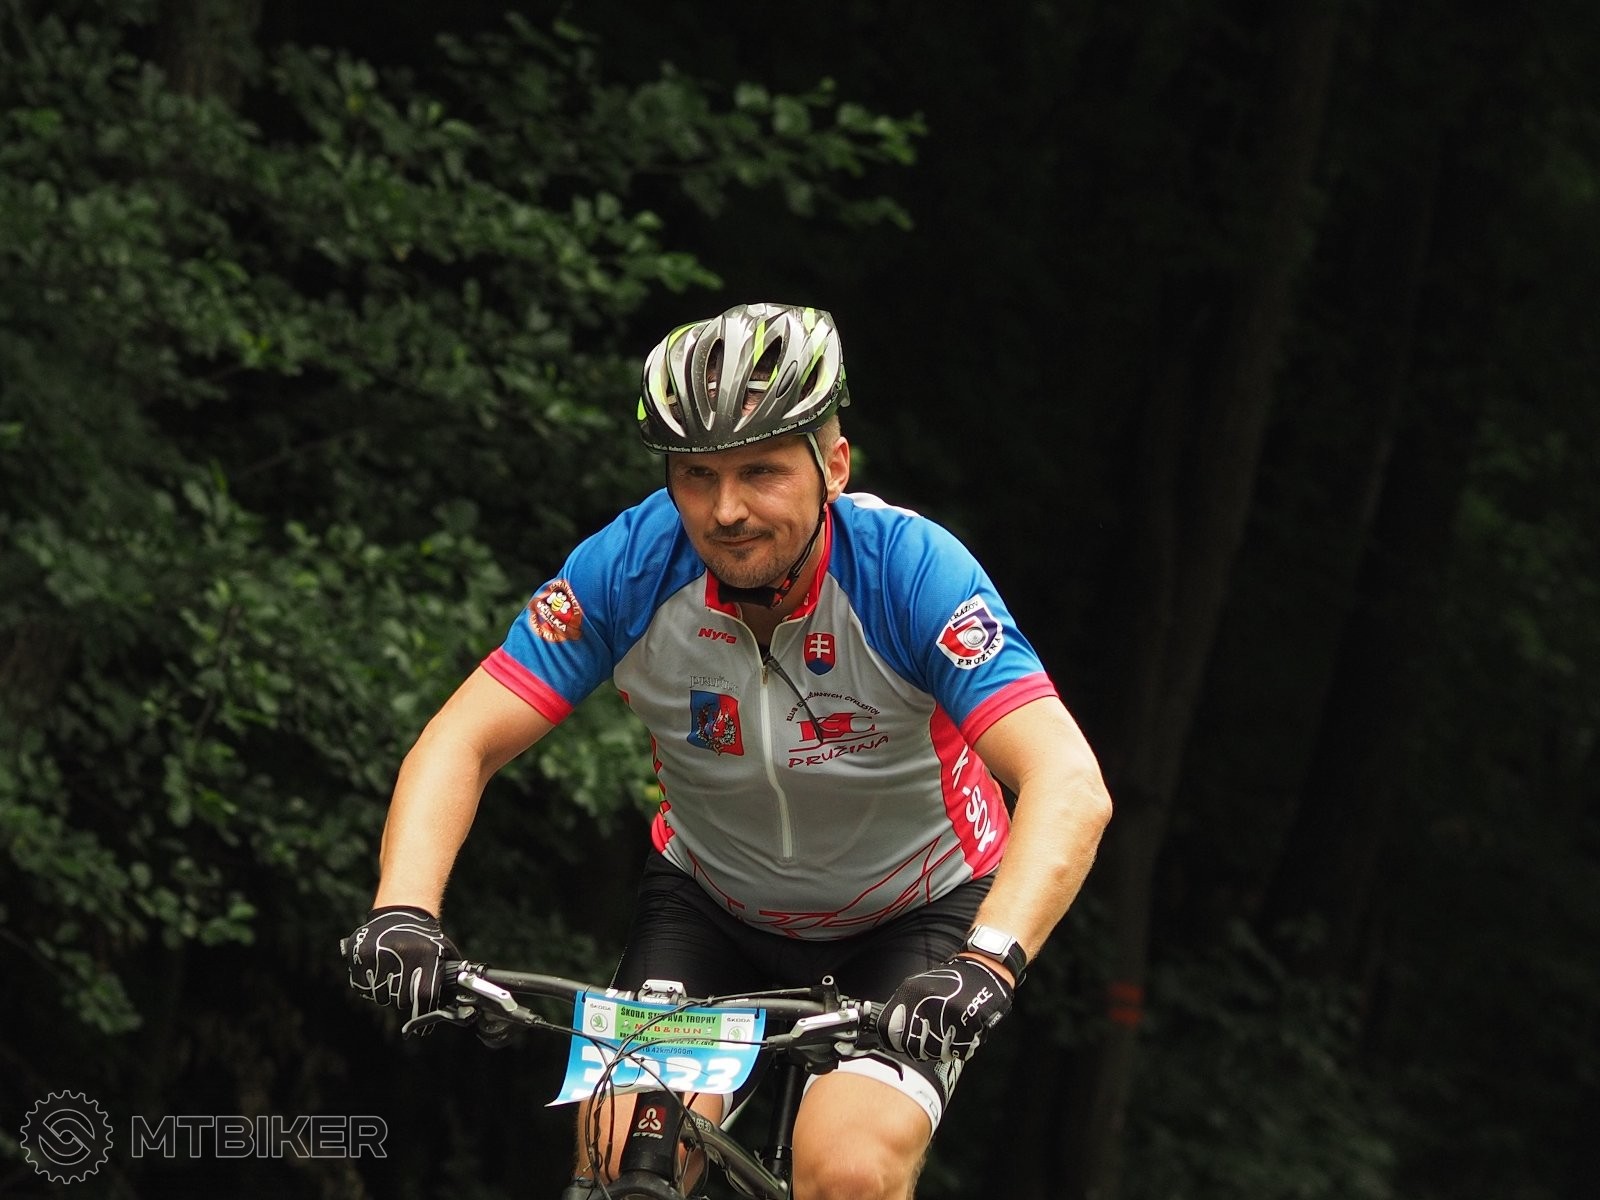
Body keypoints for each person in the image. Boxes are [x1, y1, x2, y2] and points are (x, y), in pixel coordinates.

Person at [344, 301, 1112, 1199]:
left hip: (915, 914)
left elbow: (1068, 782)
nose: (727, 510)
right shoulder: (632, 566)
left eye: (762, 471)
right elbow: (462, 739)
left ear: (834, 465)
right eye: (696, 476)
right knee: (623, 1156)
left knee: (849, 1168)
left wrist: (986, 964)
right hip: (711, 910)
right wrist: (402, 910)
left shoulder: (908, 571)